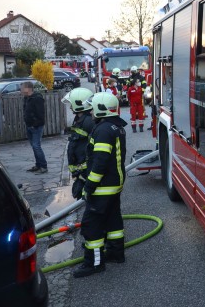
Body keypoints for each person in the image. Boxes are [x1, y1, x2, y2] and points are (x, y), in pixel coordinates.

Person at [74, 92, 127, 278]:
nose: (90, 112)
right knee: (113, 220)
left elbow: (100, 162)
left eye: (93, 108)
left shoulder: (103, 130)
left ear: (101, 108)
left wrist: (88, 186)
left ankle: (94, 263)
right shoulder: (115, 126)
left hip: (103, 186)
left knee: (91, 224)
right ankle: (116, 253)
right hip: (114, 185)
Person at [61, 88, 95, 200]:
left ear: (80, 104)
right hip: (81, 170)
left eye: (72, 104)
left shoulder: (88, 121)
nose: (70, 107)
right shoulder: (80, 119)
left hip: (86, 170)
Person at [22, 81, 48, 173]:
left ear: (28, 88)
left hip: (36, 127)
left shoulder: (37, 98)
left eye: (23, 88)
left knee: (36, 146)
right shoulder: (27, 98)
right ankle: (38, 165)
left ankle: (44, 166)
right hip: (29, 126)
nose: (21, 90)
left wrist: (35, 125)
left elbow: (41, 114)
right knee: (34, 146)